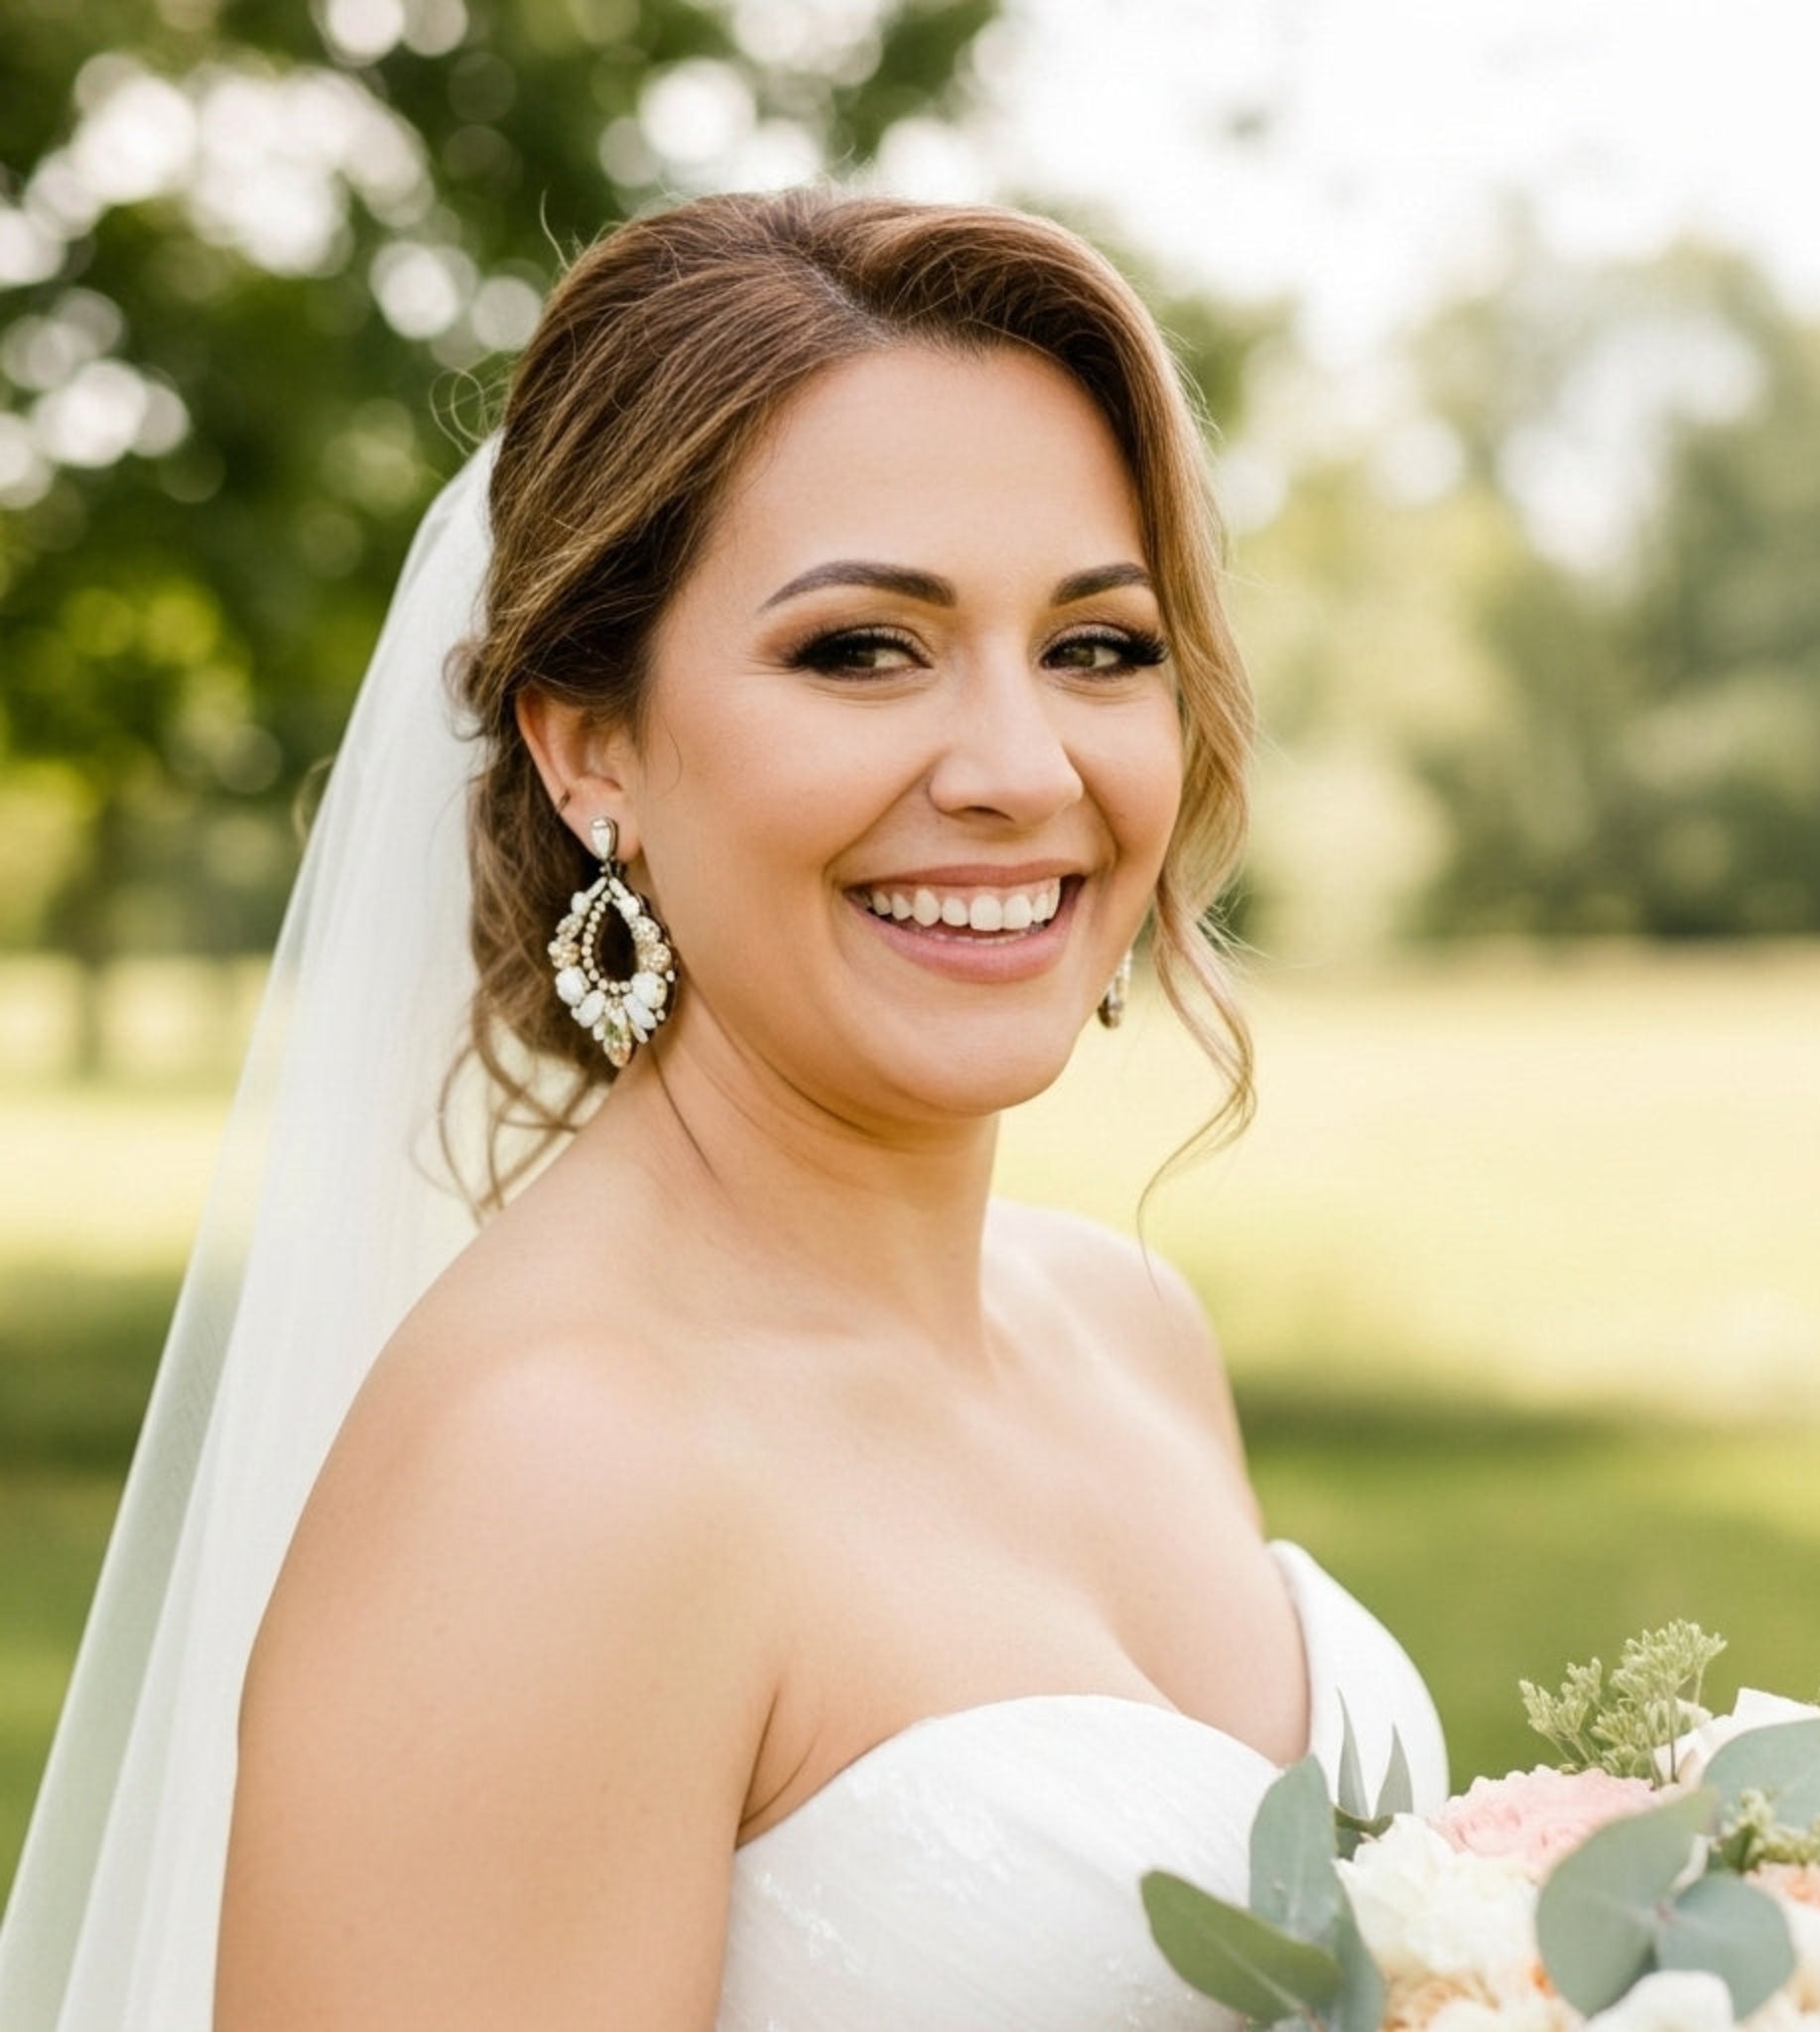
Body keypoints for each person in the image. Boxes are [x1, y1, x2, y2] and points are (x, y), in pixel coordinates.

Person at [0, 188, 1444, 2030]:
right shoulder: (553, 1474)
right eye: (861, 649)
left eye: (1099, 647)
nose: (1019, 768)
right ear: (588, 744)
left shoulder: (1133, 1329)